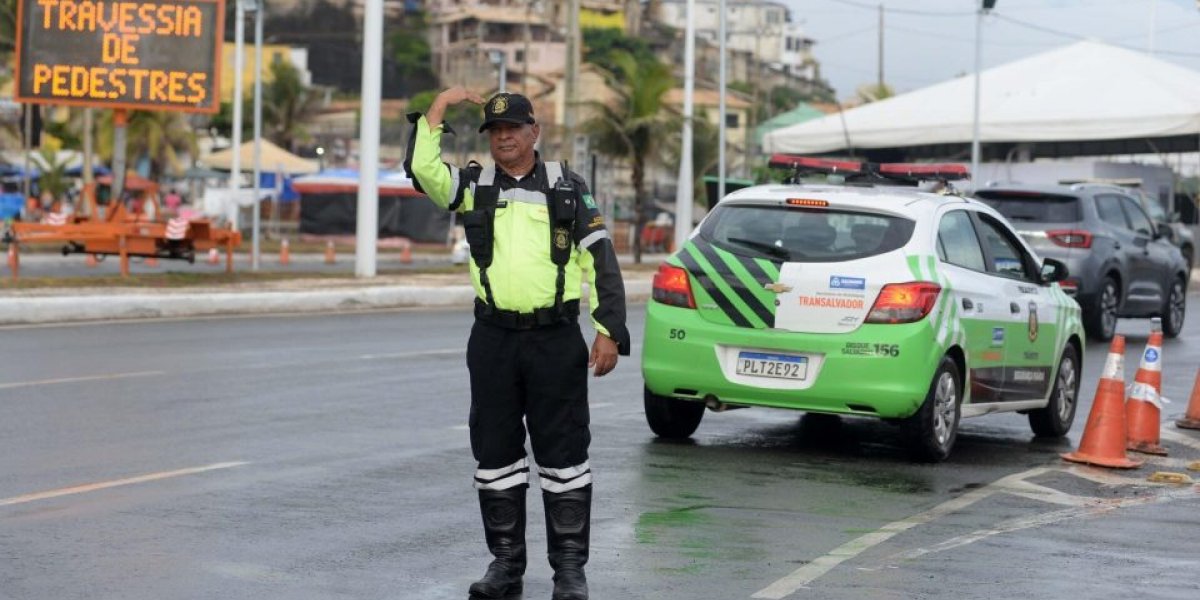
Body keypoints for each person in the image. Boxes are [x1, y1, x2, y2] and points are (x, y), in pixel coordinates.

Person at [407, 87, 629, 600]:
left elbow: (602, 261)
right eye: (495, 131)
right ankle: (505, 566)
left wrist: (608, 330)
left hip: (555, 341)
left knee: (564, 455)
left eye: (513, 129)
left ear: (535, 132)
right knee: (495, 454)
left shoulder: (566, 189)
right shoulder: (472, 186)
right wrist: (439, 106)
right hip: (493, 340)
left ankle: (569, 571)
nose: (504, 138)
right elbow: (425, 172)